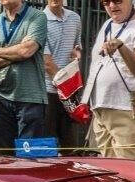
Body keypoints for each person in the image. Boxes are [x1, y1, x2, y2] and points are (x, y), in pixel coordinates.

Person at [81, 0, 135, 161]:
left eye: (117, 1)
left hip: (128, 107)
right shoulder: (108, 24)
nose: (111, 6)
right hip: (102, 106)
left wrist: (121, 47)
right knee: (109, 170)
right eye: (105, 2)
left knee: (131, 170)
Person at [0, 0, 48, 153]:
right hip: (0, 95)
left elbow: (26, 51)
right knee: (6, 156)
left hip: (30, 96)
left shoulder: (37, 17)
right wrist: (15, 52)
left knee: (31, 157)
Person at [42, 0, 83, 148]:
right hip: (48, 90)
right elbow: (46, 62)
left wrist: (76, 53)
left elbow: (77, 46)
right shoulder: (40, 20)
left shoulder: (75, 18)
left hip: (68, 91)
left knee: (70, 144)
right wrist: (66, 87)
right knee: (48, 144)